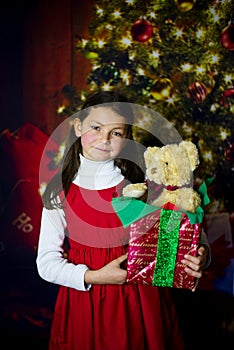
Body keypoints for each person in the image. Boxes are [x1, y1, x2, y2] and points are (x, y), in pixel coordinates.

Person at [36, 90, 210, 350]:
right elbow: (46, 263)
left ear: (127, 137)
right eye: (96, 127)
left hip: (142, 304)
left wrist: (201, 255)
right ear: (78, 126)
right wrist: (95, 276)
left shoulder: (146, 183)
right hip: (87, 306)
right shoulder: (60, 192)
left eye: (116, 132)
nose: (104, 139)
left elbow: (182, 230)